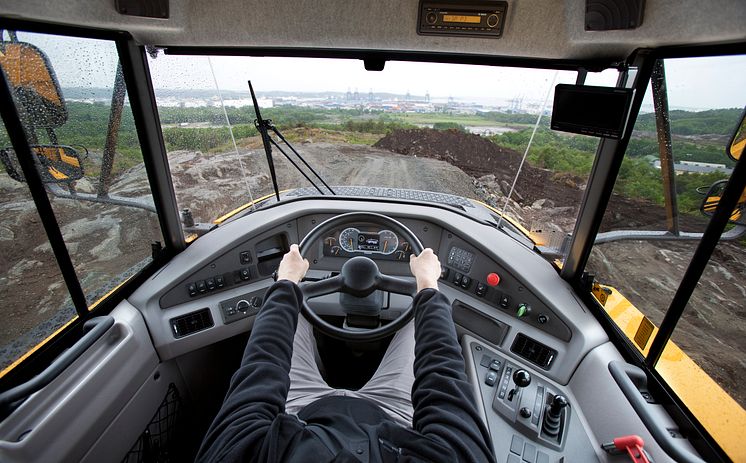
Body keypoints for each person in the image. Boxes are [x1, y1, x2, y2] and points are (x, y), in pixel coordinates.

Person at [197, 244, 495, 462]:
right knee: (419, 321)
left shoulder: (232, 455)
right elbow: (442, 375)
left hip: (299, 417)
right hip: (393, 424)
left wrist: (287, 283)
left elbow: (261, 367)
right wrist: (427, 285)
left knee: (295, 314)